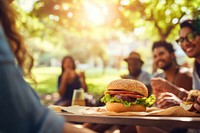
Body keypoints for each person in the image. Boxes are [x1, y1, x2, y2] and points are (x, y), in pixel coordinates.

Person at [0, 1, 95, 133]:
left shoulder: (79, 74)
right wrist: (64, 80)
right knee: (61, 106)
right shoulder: (62, 76)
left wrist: (82, 79)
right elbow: (33, 119)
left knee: (91, 104)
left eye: (69, 63)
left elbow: (84, 90)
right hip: (66, 101)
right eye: (65, 63)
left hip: (79, 103)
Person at [151, 40, 192, 108]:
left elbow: (190, 104)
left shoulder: (184, 74)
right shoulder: (159, 78)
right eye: (155, 56)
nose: (158, 58)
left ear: (172, 55)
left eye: (161, 54)